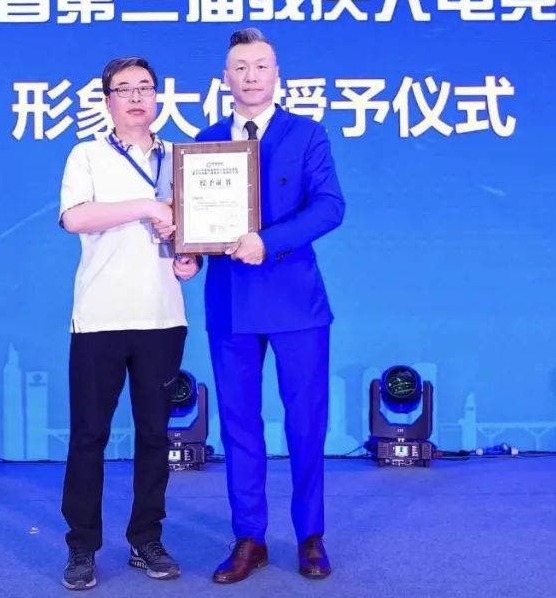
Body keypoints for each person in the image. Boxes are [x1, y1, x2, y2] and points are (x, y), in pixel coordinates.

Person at [195, 29, 345, 583]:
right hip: (230, 304)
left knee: (306, 422)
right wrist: (187, 252)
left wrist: (269, 241)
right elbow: (195, 218)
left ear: (277, 75)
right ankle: (249, 537)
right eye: (241, 67)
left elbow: (329, 207)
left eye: (261, 66)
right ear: (226, 78)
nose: (251, 76)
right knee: (238, 424)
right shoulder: (206, 141)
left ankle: (311, 536)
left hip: (295, 303)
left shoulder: (307, 134)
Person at [57, 56, 200, 591]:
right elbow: (75, 217)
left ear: (158, 96)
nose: (137, 97)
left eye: (146, 87)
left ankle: (146, 538)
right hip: (100, 317)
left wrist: (190, 258)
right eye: (125, 89)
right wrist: (145, 205)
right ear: (108, 100)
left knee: (155, 436)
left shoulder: (181, 157)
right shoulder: (87, 154)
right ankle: (82, 546)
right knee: (88, 435)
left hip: (163, 316)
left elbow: (192, 230)